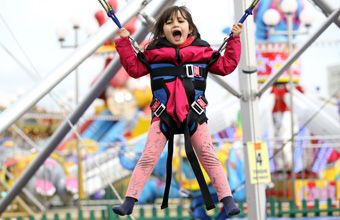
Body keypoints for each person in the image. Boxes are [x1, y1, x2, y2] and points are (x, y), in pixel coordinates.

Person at [112, 5, 243, 217]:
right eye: (170, 22)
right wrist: (124, 42)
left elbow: (226, 65)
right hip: (163, 116)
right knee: (148, 157)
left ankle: (227, 200)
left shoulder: (202, 51)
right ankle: (129, 200)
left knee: (208, 155)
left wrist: (234, 39)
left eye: (180, 21)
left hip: (194, 115)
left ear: (189, 28)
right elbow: (134, 69)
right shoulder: (153, 53)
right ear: (163, 30)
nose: (175, 25)